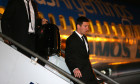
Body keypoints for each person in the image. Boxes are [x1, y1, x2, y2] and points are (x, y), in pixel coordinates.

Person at [65, 16, 99, 84]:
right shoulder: (71, 39)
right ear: (78, 26)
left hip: (89, 74)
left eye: (88, 26)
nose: (87, 28)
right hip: (80, 75)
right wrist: (74, 68)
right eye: (85, 26)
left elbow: (85, 56)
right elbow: (68, 57)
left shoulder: (84, 38)